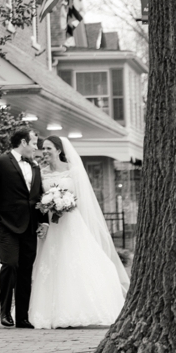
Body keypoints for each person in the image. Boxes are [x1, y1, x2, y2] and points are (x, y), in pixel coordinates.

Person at [28, 135, 129, 329]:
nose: (45, 152)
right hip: (52, 225)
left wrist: (66, 204)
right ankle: (52, 311)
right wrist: (48, 209)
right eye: (44, 149)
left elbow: (84, 200)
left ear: (59, 150)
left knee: (76, 261)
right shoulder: (41, 173)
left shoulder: (73, 171)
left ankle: (83, 308)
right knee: (52, 263)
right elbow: (37, 199)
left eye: (49, 148)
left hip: (73, 224)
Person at [0, 128, 46, 328]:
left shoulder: (35, 167)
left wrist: (43, 221)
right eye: (34, 143)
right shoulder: (0, 162)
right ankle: (5, 310)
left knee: (26, 270)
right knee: (10, 264)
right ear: (24, 142)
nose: (36, 148)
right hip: (6, 225)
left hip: (30, 226)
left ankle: (23, 317)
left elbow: (39, 196)